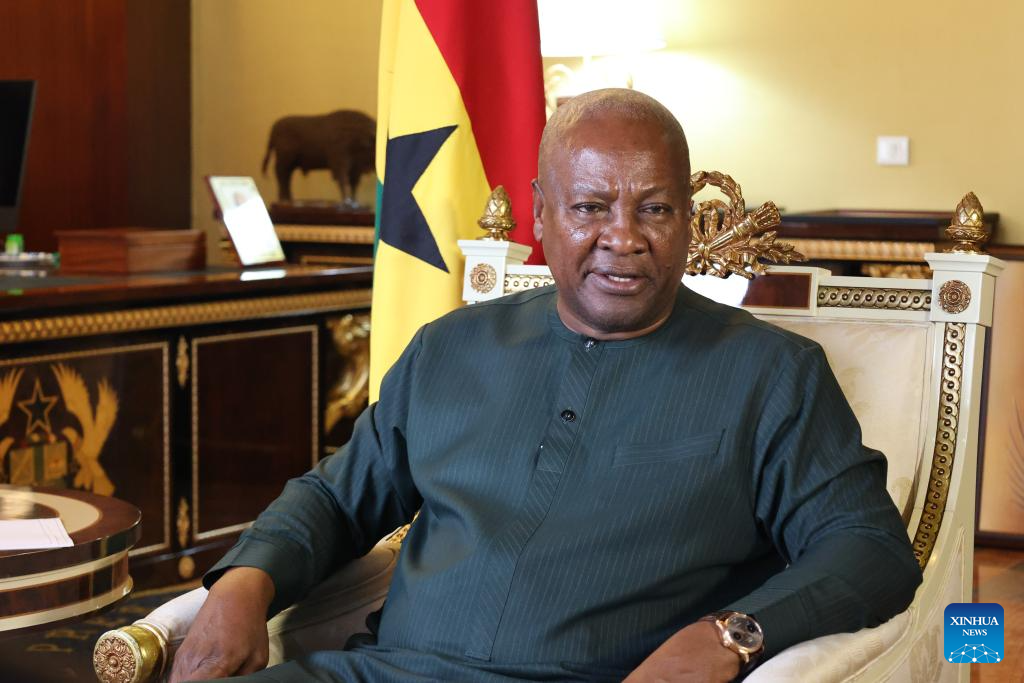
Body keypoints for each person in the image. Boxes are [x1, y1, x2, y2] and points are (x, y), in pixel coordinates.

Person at [170, 89, 921, 683]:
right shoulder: (449, 346)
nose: (623, 237)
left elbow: (870, 548)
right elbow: (337, 498)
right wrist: (243, 583)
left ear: (689, 219)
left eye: (655, 209)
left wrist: (730, 635)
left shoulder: (772, 373)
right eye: (590, 207)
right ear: (539, 212)